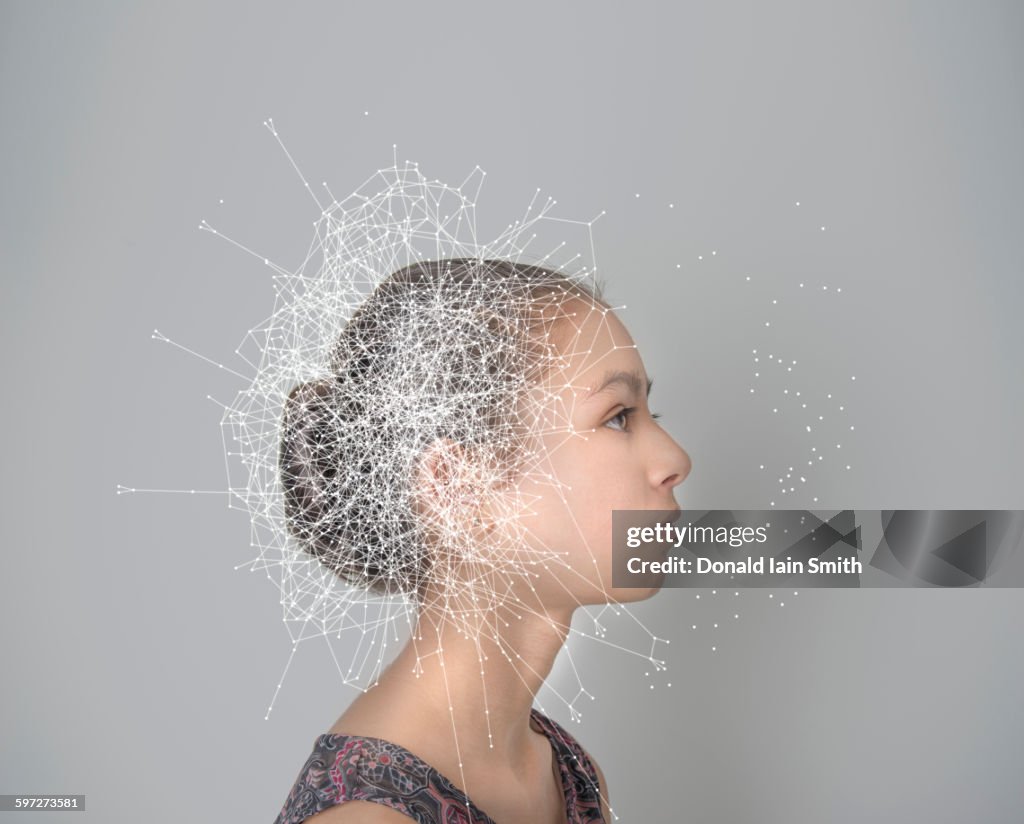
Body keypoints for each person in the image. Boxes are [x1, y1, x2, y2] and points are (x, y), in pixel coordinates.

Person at [273, 258, 692, 823]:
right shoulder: (370, 818)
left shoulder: (568, 771)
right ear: (456, 486)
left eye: (650, 412)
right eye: (618, 417)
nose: (674, 461)